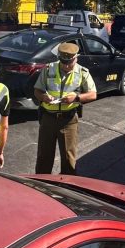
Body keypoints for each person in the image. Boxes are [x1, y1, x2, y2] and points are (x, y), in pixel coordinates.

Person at [33, 41, 97, 175]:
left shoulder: (82, 72)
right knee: (44, 157)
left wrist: (77, 98)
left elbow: (93, 94)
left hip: (69, 121)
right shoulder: (48, 69)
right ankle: (40, 185)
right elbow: (37, 90)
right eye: (63, 62)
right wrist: (44, 97)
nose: (66, 66)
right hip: (48, 119)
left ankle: (66, 187)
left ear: (76, 58)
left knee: (69, 159)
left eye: (70, 62)